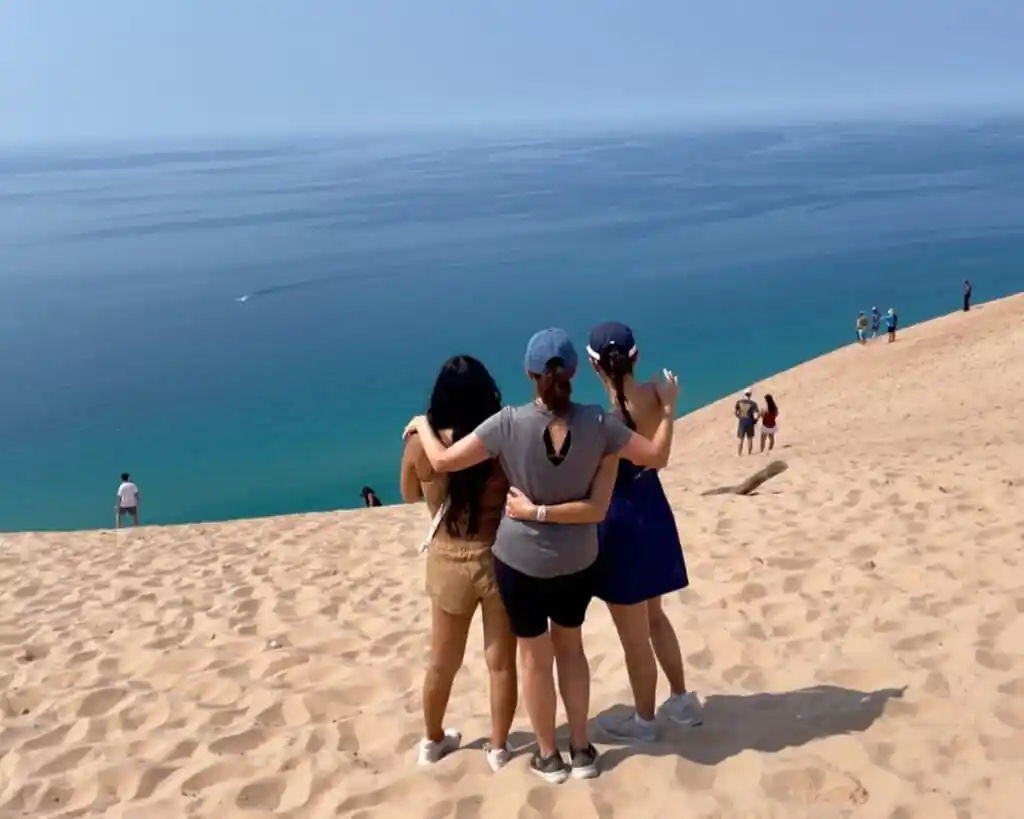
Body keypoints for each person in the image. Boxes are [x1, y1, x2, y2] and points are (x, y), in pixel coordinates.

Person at [405, 328, 680, 784]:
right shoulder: (598, 423)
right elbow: (655, 455)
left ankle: (548, 758)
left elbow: (444, 462)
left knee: (533, 659)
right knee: (571, 652)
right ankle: (582, 750)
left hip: (520, 562)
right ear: (573, 372)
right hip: (577, 560)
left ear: (531, 374)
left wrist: (421, 423)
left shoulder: (507, 423)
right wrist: (668, 409)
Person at [583, 322, 701, 744]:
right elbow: (658, 455)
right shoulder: (657, 394)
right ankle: (682, 699)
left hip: (621, 521)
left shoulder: (603, 420)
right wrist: (669, 411)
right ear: (635, 356)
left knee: (633, 635)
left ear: (594, 367)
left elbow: (654, 458)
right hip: (653, 509)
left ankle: (645, 722)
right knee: (655, 617)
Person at [400, 356, 516, 771]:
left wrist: (423, 430)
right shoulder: (500, 437)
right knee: (501, 663)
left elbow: (410, 494)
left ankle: (431, 741)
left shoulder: (419, 444)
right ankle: (500, 749)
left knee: (442, 661)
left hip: (448, 558)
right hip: (497, 555)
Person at [735, 388, 759, 456]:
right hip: (750, 422)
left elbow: (736, 412)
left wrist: (739, 417)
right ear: (750, 394)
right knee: (750, 438)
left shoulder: (739, 402)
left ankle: (739, 453)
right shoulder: (753, 404)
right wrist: (755, 421)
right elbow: (756, 415)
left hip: (742, 422)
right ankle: (749, 453)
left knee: (740, 439)